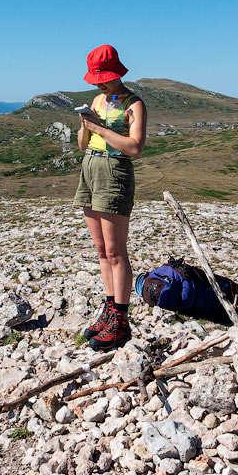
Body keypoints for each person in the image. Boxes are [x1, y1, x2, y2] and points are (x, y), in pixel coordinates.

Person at [73, 44, 148, 350]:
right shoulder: (96, 100)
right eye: (96, 79)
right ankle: (109, 309)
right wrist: (85, 127)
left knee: (116, 252)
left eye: (103, 77)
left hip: (115, 172)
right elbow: (82, 145)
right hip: (90, 167)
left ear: (117, 73)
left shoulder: (134, 104)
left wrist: (101, 129)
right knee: (102, 250)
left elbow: (135, 148)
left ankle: (121, 320)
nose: (99, 83)